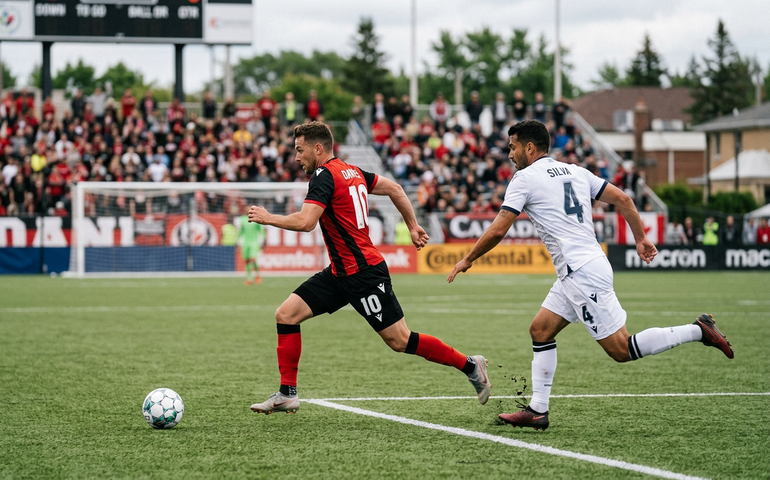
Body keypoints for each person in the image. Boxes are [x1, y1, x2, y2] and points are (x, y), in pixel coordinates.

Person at [447, 120, 734, 431]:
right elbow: (624, 199)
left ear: (529, 148)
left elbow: (499, 229)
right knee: (541, 330)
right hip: (584, 267)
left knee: (621, 350)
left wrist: (468, 258)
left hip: (580, 272)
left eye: (513, 147)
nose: (510, 153)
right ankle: (537, 410)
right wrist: (641, 238)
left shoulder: (524, 178)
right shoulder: (575, 171)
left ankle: (698, 330)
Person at [247, 121, 490, 414]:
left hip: (364, 274)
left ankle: (470, 365)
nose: (297, 157)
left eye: (300, 150)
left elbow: (306, 222)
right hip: (339, 273)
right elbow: (396, 189)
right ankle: (287, 394)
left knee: (400, 341)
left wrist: (267, 217)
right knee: (286, 314)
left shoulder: (324, 176)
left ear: (318, 148)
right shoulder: (354, 172)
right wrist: (412, 226)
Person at [239, 208, 266, 285]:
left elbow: (261, 230)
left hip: (254, 242)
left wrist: (263, 240)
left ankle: (257, 275)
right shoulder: (242, 219)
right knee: (247, 261)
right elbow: (241, 230)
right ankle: (249, 278)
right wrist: (237, 241)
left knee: (253, 259)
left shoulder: (255, 220)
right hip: (245, 242)